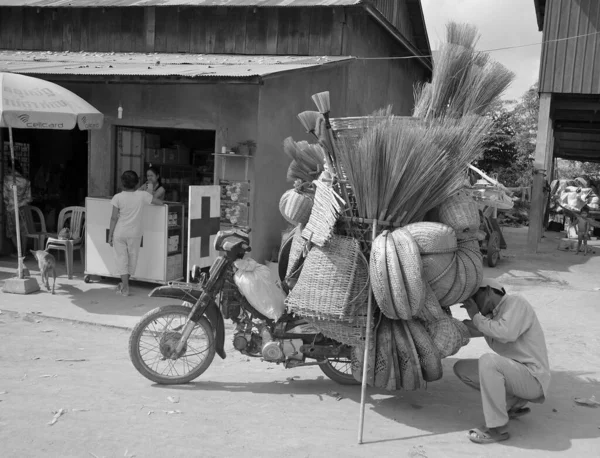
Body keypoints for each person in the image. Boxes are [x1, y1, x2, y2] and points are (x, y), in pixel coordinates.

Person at [454, 278, 550, 444]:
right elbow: (466, 328)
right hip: (516, 375)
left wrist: (475, 315)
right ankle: (512, 404)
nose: (473, 304)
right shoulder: (489, 317)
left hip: (533, 378)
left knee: (489, 362)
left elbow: (505, 333)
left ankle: (497, 428)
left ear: (489, 291)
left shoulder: (515, 303)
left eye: (475, 298)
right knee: (462, 368)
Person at [108, 170, 163, 296]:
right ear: (137, 183)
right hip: (135, 233)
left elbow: (113, 218)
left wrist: (110, 234)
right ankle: (125, 285)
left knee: (121, 259)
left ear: (122, 183)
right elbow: (159, 202)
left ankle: (125, 287)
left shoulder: (117, 197)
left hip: (120, 232)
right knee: (132, 258)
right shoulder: (142, 195)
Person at [2, 160, 32, 257]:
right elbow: (29, 198)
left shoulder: (7, 179)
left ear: (10, 168)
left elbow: (5, 196)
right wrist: (20, 203)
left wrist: (9, 205)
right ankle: (23, 252)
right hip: (22, 208)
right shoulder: (26, 181)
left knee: (12, 232)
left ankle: (19, 254)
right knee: (24, 232)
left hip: (11, 208)